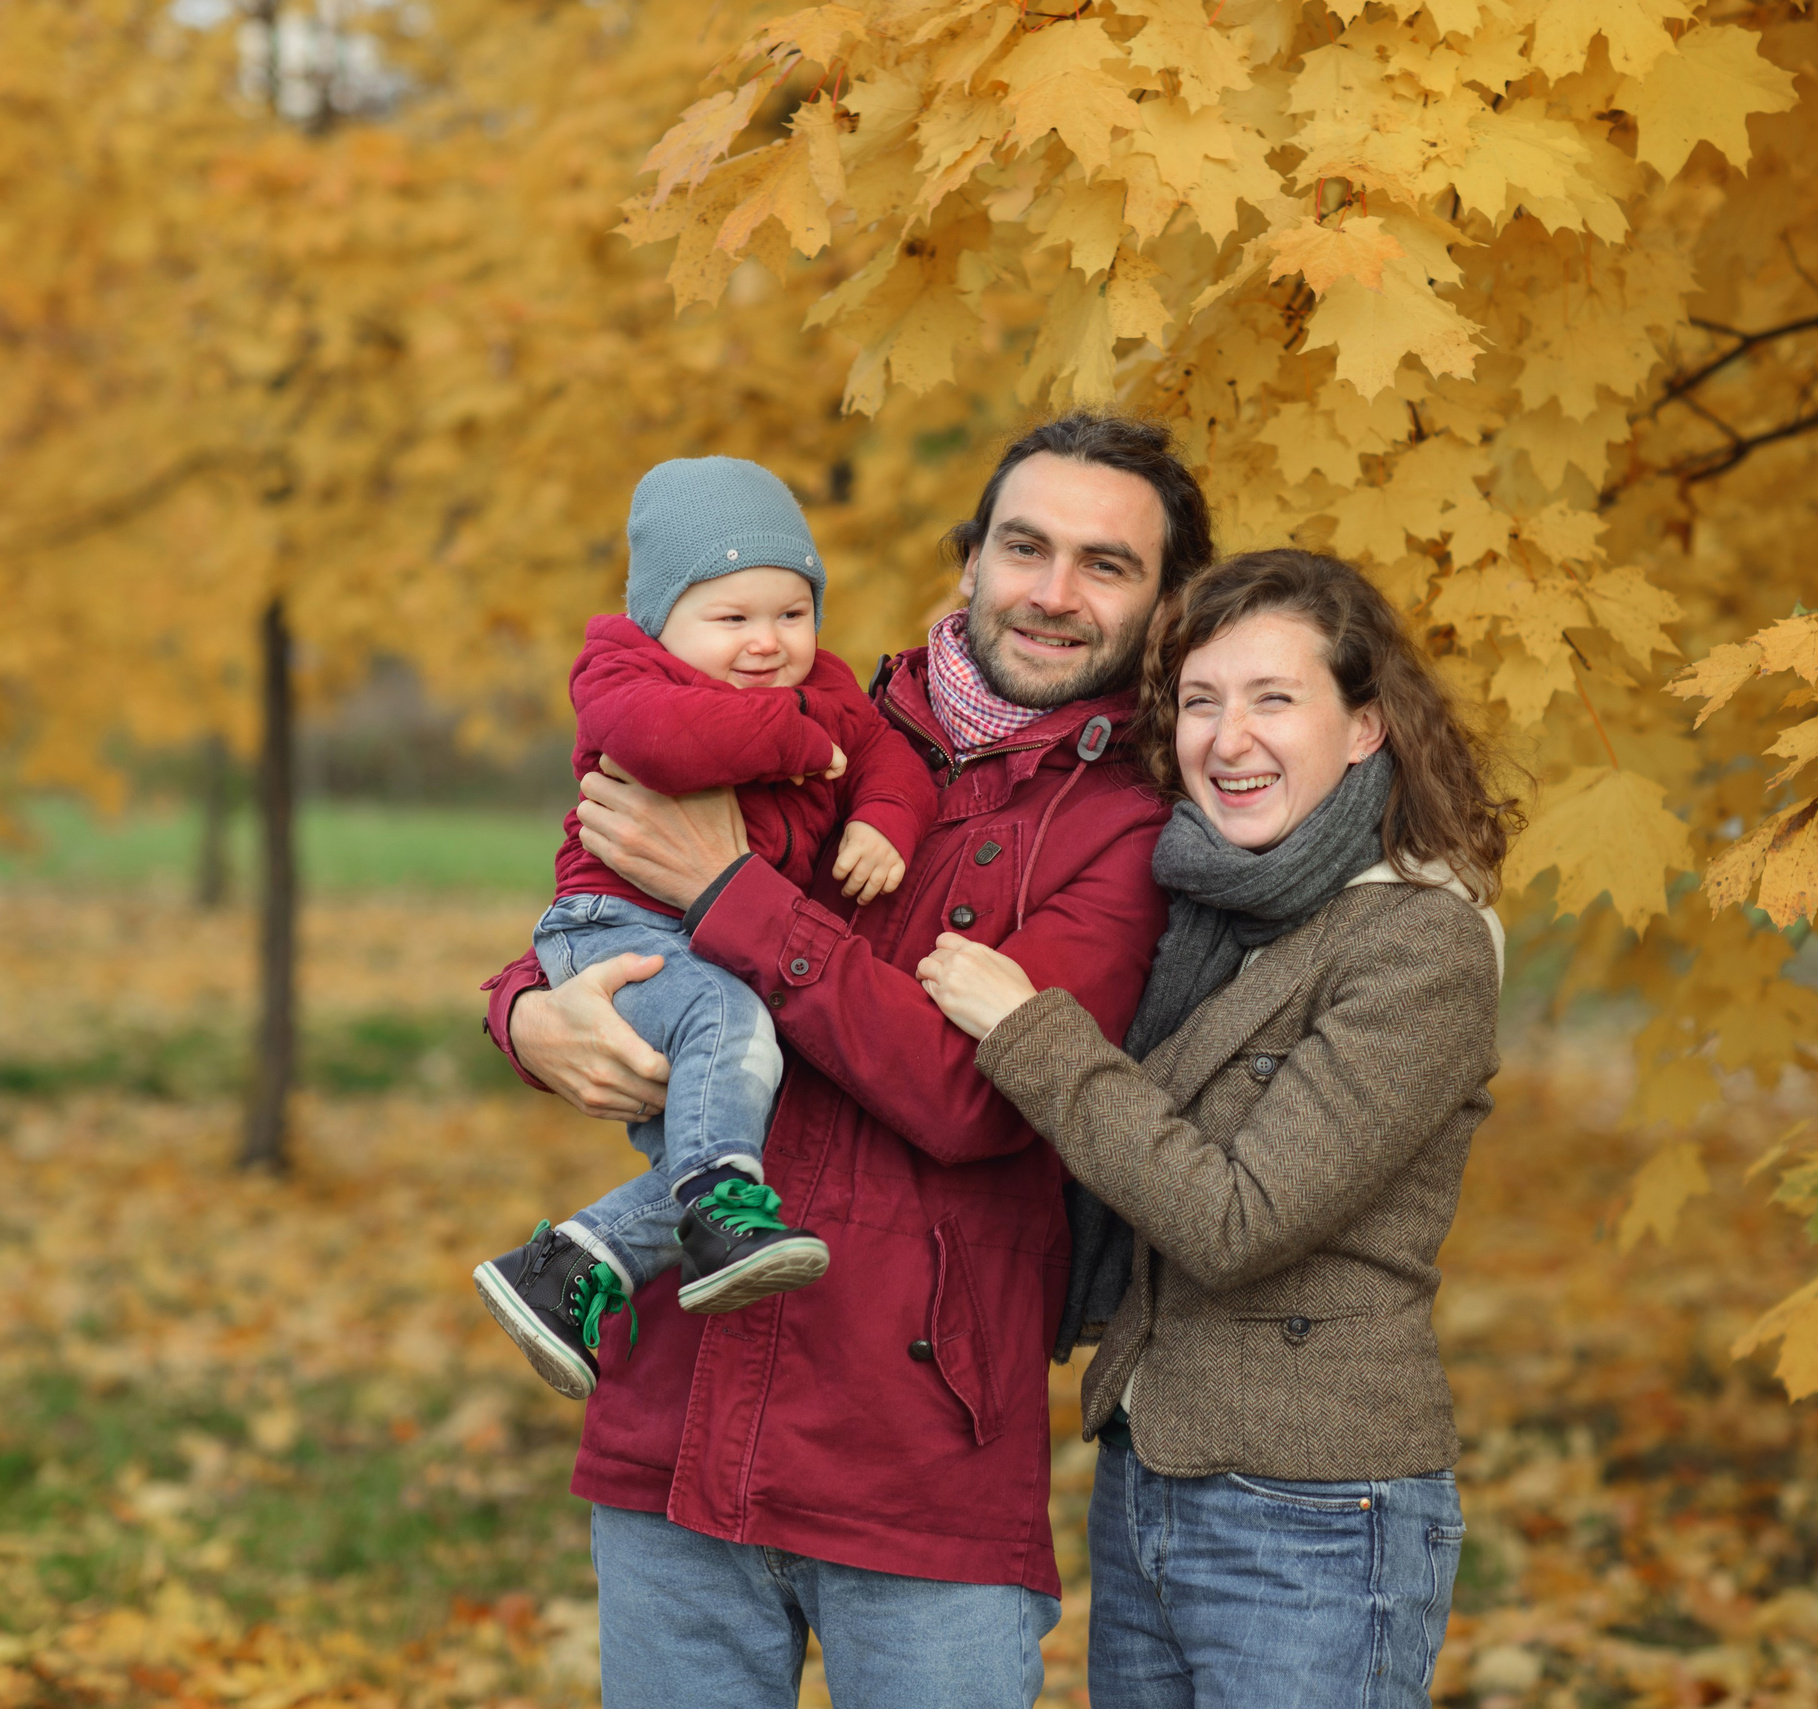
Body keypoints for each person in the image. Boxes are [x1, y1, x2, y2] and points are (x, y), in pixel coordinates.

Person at [478, 414, 1217, 1708]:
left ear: (1162, 607)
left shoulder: (1128, 829)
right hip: (679, 1417)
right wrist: (525, 1016)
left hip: (917, 1461)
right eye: (1024, 546)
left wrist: (725, 889)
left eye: (1106, 565)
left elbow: (969, 1094)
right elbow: (602, 890)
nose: (1051, 591)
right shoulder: (798, 707)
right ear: (968, 558)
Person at [917, 548, 1515, 1709]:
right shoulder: (1212, 907)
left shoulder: (1417, 942)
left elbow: (1237, 1217)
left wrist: (1028, 1031)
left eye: (1272, 698)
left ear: (1364, 728)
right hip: (1150, 1472)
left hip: (1314, 1509)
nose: (1227, 738)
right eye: (1200, 700)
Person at [474, 457, 938, 1403]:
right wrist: (801, 737)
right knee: (735, 1032)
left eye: (791, 614)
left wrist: (882, 815)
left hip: (710, 939)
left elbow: (890, 754)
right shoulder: (622, 669)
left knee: (743, 1115)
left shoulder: (832, 688)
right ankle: (716, 1224)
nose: (768, 643)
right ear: (663, 619)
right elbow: (665, 745)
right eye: (732, 619)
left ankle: (571, 1269)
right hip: (613, 926)